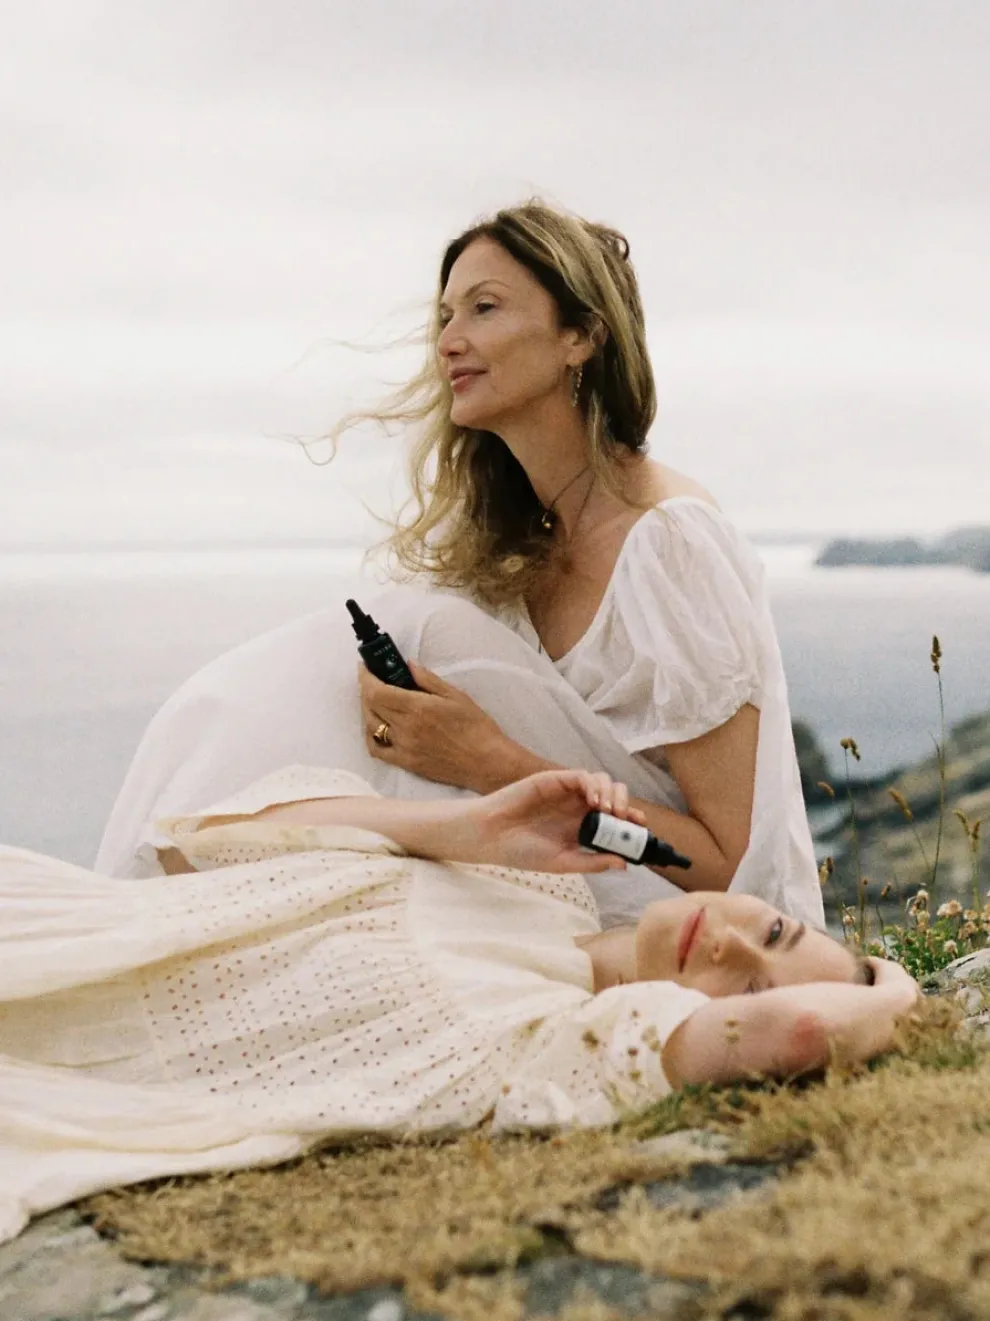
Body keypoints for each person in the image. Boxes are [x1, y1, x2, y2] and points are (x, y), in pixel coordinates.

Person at [95, 201, 823, 929]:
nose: (449, 341)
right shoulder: (510, 547)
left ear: (580, 336)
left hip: (710, 935)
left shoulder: (669, 545)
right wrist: (402, 735)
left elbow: (731, 864)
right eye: (445, 316)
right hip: (564, 888)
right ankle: (166, 890)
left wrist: (488, 760)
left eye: (484, 308)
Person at [1, 767, 915, 1245]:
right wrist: (468, 828)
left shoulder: (566, 1044)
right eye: (775, 930)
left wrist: (899, 990)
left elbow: (802, 1029)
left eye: (747, 984)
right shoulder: (533, 882)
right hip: (48, 924)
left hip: (59, 1064)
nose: (731, 944)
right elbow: (198, 844)